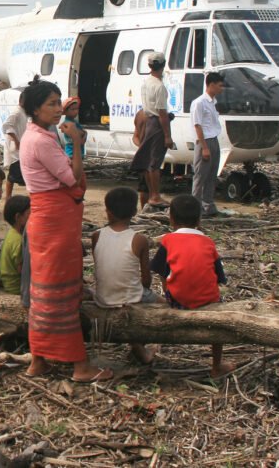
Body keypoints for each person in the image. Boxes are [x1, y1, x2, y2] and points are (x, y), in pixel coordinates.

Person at [20, 79, 112, 382]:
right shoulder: (43, 140)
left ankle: (39, 359)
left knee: (44, 291)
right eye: (52, 104)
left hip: (49, 222)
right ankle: (79, 365)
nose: (59, 109)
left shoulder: (35, 135)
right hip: (54, 224)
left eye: (59, 103)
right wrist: (79, 144)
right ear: (35, 108)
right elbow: (72, 177)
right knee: (59, 296)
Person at [150, 195, 235, 377]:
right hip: (208, 302)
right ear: (199, 219)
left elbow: (160, 271)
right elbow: (220, 278)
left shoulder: (168, 240)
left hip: (177, 300)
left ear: (171, 218)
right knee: (218, 329)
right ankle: (216, 365)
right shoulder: (208, 242)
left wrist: (167, 291)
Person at [90, 187, 160, 364]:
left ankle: (138, 349)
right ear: (135, 212)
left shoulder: (96, 236)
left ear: (108, 212)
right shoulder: (139, 239)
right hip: (129, 298)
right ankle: (141, 349)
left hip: (102, 296)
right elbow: (146, 279)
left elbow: (101, 267)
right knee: (163, 304)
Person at [130, 52, 174, 211]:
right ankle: (155, 195)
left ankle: (152, 194)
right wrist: (168, 136)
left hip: (149, 121)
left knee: (149, 161)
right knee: (155, 162)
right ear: (163, 65)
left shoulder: (146, 82)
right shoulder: (159, 86)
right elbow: (162, 113)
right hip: (156, 123)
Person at [190, 72, 226, 217]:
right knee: (200, 176)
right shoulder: (199, 102)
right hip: (204, 141)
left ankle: (208, 205)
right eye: (219, 85)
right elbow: (197, 125)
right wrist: (204, 147)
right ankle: (195, 207)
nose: (221, 89)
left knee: (211, 175)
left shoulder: (213, 102)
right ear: (211, 85)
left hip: (214, 139)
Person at [0, 195, 31, 295]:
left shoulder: (12, 232)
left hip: (9, 282)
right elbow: (22, 270)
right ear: (18, 217)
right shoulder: (18, 241)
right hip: (15, 286)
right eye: (29, 214)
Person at [1, 101, 28, 202]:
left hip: (21, 144)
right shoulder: (16, 113)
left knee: (17, 172)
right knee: (13, 173)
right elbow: (6, 126)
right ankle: (8, 197)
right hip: (16, 147)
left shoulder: (24, 112)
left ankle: (8, 196)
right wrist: (16, 141)